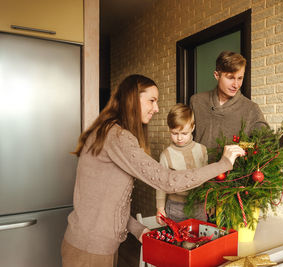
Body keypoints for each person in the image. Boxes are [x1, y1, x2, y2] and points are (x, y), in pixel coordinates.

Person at [61, 74, 245, 267]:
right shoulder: (117, 137)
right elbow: (167, 181)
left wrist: (138, 229)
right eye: (152, 100)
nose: (156, 109)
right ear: (133, 98)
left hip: (92, 244)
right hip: (90, 249)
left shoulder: (110, 132)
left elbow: (106, 201)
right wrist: (223, 164)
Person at [190, 51, 283, 151]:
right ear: (216, 75)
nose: (236, 84)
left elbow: (268, 147)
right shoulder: (197, 101)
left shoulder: (251, 109)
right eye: (230, 78)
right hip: (197, 172)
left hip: (233, 175)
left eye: (240, 78)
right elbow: (185, 138)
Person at [155, 103, 208, 225]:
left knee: (202, 240)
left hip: (199, 206)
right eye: (174, 133)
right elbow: (160, 184)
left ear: (192, 128)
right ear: (169, 129)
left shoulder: (202, 150)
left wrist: (208, 202)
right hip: (175, 208)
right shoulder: (166, 155)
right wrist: (160, 208)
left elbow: (207, 179)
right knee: (177, 241)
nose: (179, 138)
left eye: (184, 133)